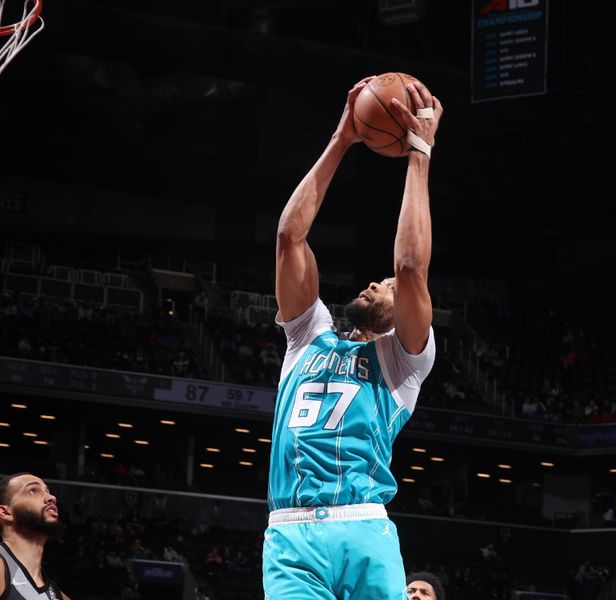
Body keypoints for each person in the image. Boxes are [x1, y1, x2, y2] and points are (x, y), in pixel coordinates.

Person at [262, 75, 443, 600]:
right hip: (290, 531)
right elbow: (289, 237)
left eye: (382, 286)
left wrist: (419, 155)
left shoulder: (404, 362)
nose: (375, 282)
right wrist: (342, 139)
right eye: (377, 280)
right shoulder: (306, 337)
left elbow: (409, 267)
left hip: (361, 524)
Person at [0, 472, 71, 600]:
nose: (51, 497)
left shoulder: (56, 594)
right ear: (5, 512)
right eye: (33, 491)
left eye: (47, 491)